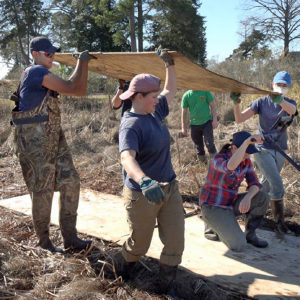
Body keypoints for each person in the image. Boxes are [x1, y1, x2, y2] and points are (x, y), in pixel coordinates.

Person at [11, 36, 95, 253]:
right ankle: (45, 243)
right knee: (42, 191)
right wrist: (83, 62)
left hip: (53, 138)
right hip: (34, 143)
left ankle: (71, 238)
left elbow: (74, 86)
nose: (52, 57)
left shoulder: (42, 73)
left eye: (53, 53)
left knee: (71, 181)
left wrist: (80, 63)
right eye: (48, 54)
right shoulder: (35, 72)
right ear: (35, 54)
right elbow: (75, 89)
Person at [116, 47, 184, 295]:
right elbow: (126, 157)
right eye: (153, 96)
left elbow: (171, 90)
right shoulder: (131, 124)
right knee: (139, 244)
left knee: (176, 241)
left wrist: (169, 65)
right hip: (142, 194)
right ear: (138, 96)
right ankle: (125, 272)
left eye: (157, 96)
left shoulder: (154, 111)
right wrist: (144, 180)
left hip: (169, 188)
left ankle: (165, 285)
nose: (158, 99)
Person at [230, 71, 298, 235]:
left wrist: (280, 100)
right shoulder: (261, 102)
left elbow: (293, 111)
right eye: (278, 84)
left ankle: (248, 215)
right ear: (272, 84)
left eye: (284, 85)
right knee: (277, 185)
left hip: (280, 150)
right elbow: (239, 119)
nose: (281, 88)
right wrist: (236, 103)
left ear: (289, 87)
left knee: (265, 185)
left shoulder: (289, 102)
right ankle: (279, 224)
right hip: (262, 149)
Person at [199, 131, 269, 251]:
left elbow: (255, 184)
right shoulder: (218, 159)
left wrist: (248, 197)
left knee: (262, 197)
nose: (248, 155)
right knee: (239, 245)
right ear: (234, 148)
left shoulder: (246, 162)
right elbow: (230, 167)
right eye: (246, 151)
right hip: (213, 206)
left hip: (229, 204)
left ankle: (250, 234)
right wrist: (247, 142)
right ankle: (211, 223)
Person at [181, 90, 218, 162]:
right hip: (194, 125)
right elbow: (184, 112)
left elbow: (213, 106)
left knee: (209, 143)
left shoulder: (205, 92)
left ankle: (216, 163)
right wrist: (183, 126)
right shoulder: (186, 95)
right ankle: (203, 164)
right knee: (198, 147)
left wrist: (215, 120)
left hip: (206, 123)